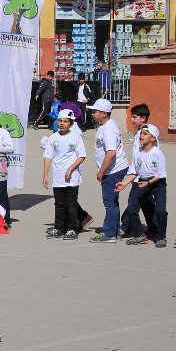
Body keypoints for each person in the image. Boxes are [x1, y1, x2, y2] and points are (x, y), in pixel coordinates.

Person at [116, 124, 167, 248]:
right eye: (141, 133)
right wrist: (124, 183)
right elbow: (134, 172)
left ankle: (161, 237)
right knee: (132, 209)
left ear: (153, 138)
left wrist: (148, 183)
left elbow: (161, 174)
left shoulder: (158, 153)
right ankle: (139, 234)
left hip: (157, 183)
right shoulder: (138, 152)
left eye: (145, 134)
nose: (141, 136)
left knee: (160, 210)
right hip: (142, 182)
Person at [87, 99, 128, 243]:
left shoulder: (109, 129)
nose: (92, 114)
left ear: (103, 114)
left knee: (109, 202)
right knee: (112, 201)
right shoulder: (104, 125)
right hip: (111, 169)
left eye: (95, 111)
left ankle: (110, 233)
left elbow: (111, 153)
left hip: (112, 170)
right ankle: (114, 230)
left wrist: (101, 171)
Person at [43, 109, 85, 240]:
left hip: (72, 178)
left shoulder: (76, 137)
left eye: (65, 121)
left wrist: (70, 169)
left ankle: (72, 228)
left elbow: (82, 156)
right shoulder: (53, 137)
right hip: (58, 177)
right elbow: (48, 157)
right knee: (59, 204)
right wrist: (45, 175)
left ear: (71, 123)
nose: (62, 124)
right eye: (60, 121)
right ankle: (59, 228)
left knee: (71, 203)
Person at [120, 103, 151, 237]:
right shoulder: (139, 132)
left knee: (134, 203)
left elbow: (147, 154)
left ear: (143, 118)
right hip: (138, 174)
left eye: (134, 117)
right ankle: (154, 228)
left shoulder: (146, 133)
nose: (132, 120)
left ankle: (126, 227)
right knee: (146, 202)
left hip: (141, 176)